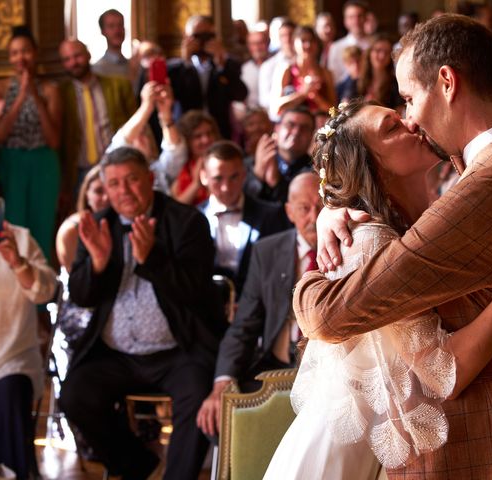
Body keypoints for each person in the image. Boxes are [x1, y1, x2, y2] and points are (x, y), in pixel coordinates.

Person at [293, 15, 492, 478]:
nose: (412, 119)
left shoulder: (487, 188)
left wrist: (311, 280)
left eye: (407, 97)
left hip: (469, 449)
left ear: (447, 81)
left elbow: (327, 314)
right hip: (483, 439)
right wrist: (331, 209)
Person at [59, 147, 226, 480]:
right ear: (105, 188)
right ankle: (137, 466)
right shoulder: (99, 224)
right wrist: (97, 264)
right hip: (115, 354)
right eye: (115, 183)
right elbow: (80, 295)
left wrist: (152, 259)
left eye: (132, 180)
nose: (124, 190)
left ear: (150, 179)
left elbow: (196, 292)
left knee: (196, 394)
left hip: (179, 350)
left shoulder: (187, 221)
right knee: (75, 395)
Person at [197, 172, 321, 436]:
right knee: (220, 416)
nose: (314, 217)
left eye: (321, 207)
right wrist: (222, 382)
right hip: (275, 367)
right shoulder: (267, 251)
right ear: (289, 212)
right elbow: (244, 325)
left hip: (327, 373)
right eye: (304, 208)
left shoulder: (345, 248)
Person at [0, 175, 57, 479]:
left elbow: (46, 292)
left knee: (8, 393)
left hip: (11, 360)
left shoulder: (20, 239)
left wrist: (17, 262)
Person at [0, 26, 61, 260]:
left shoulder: (51, 90)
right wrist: (20, 96)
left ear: (35, 53)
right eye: (14, 53)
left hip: (43, 163)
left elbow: (53, 139)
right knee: (11, 224)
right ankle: (14, 287)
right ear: (9, 57)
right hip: (10, 164)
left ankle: (41, 291)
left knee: (42, 225)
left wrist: (35, 95)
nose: (21, 57)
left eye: (26, 51)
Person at [197, 140, 288, 297]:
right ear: (204, 177)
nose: (226, 187)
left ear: (245, 174)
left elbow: (278, 271)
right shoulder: (193, 218)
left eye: (234, 177)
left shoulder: (270, 215)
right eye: (218, 178)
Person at [58, 39, 136, 199]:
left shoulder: (118, 86)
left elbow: (136, 125)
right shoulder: (60, 93)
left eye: (77, 56)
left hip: (116, 163)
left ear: (88, 54)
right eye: (67, 59)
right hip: (79, 170)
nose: (73, 62)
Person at [169, 15, 247, 139]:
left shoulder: (229, 65)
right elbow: (174, 97)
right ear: (186, 37)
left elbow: (240, 94)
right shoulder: (175, 69)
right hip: (186, 133)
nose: (202, 42)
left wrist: (221, 65)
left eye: (207, 37)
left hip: (219, 133)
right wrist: (186, 63)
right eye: (196, 37)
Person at [244, 106, 314, 204]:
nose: (296, 132)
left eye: (304, 128)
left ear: (312, 135)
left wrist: (276, 182)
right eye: (290, 125)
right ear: (277, 128)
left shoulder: (316, 171)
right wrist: (257, 174)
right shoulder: (250, 163)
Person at [56, 165, 109, 272]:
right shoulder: (71, 230)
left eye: (110, 189)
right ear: (86, 194)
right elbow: (74, 276)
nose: (106, 197)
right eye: (98, 191)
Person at [274, 25, 336, 115]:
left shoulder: (326, 73)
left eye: (311, 41)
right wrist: (303, 93)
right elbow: (277, 107)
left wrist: (316, 96)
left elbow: (334, 111)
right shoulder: (287, 70)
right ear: (294, 43)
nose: (308, 45)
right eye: (303, 41)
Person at [171, 110, 220, 205]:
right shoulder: (181, 168)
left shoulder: (226, 161)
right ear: (187, 141)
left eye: (209, 133)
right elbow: (178, 210)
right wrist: (196, 184)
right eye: (198, 136)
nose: (206, 140)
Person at [327, 0, 371, 84]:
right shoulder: (336, 48)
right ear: (345, 21)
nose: (356, 21)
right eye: (351, 17)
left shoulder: (373, 46)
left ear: (366, 18)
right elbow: (333, 79)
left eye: (359, 16)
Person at [358, 34, 403, 110]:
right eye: (378, 50)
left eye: (387, 52)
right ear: (369, 52)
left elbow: (399, 114)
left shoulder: (396, 84)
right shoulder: (357, 81)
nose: (382, 56)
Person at [92, 9, 129, 78]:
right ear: (103, 31)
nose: (117, 30)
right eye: (111, 26)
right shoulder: (97, 69)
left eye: (120, 25)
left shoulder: (133, 65)